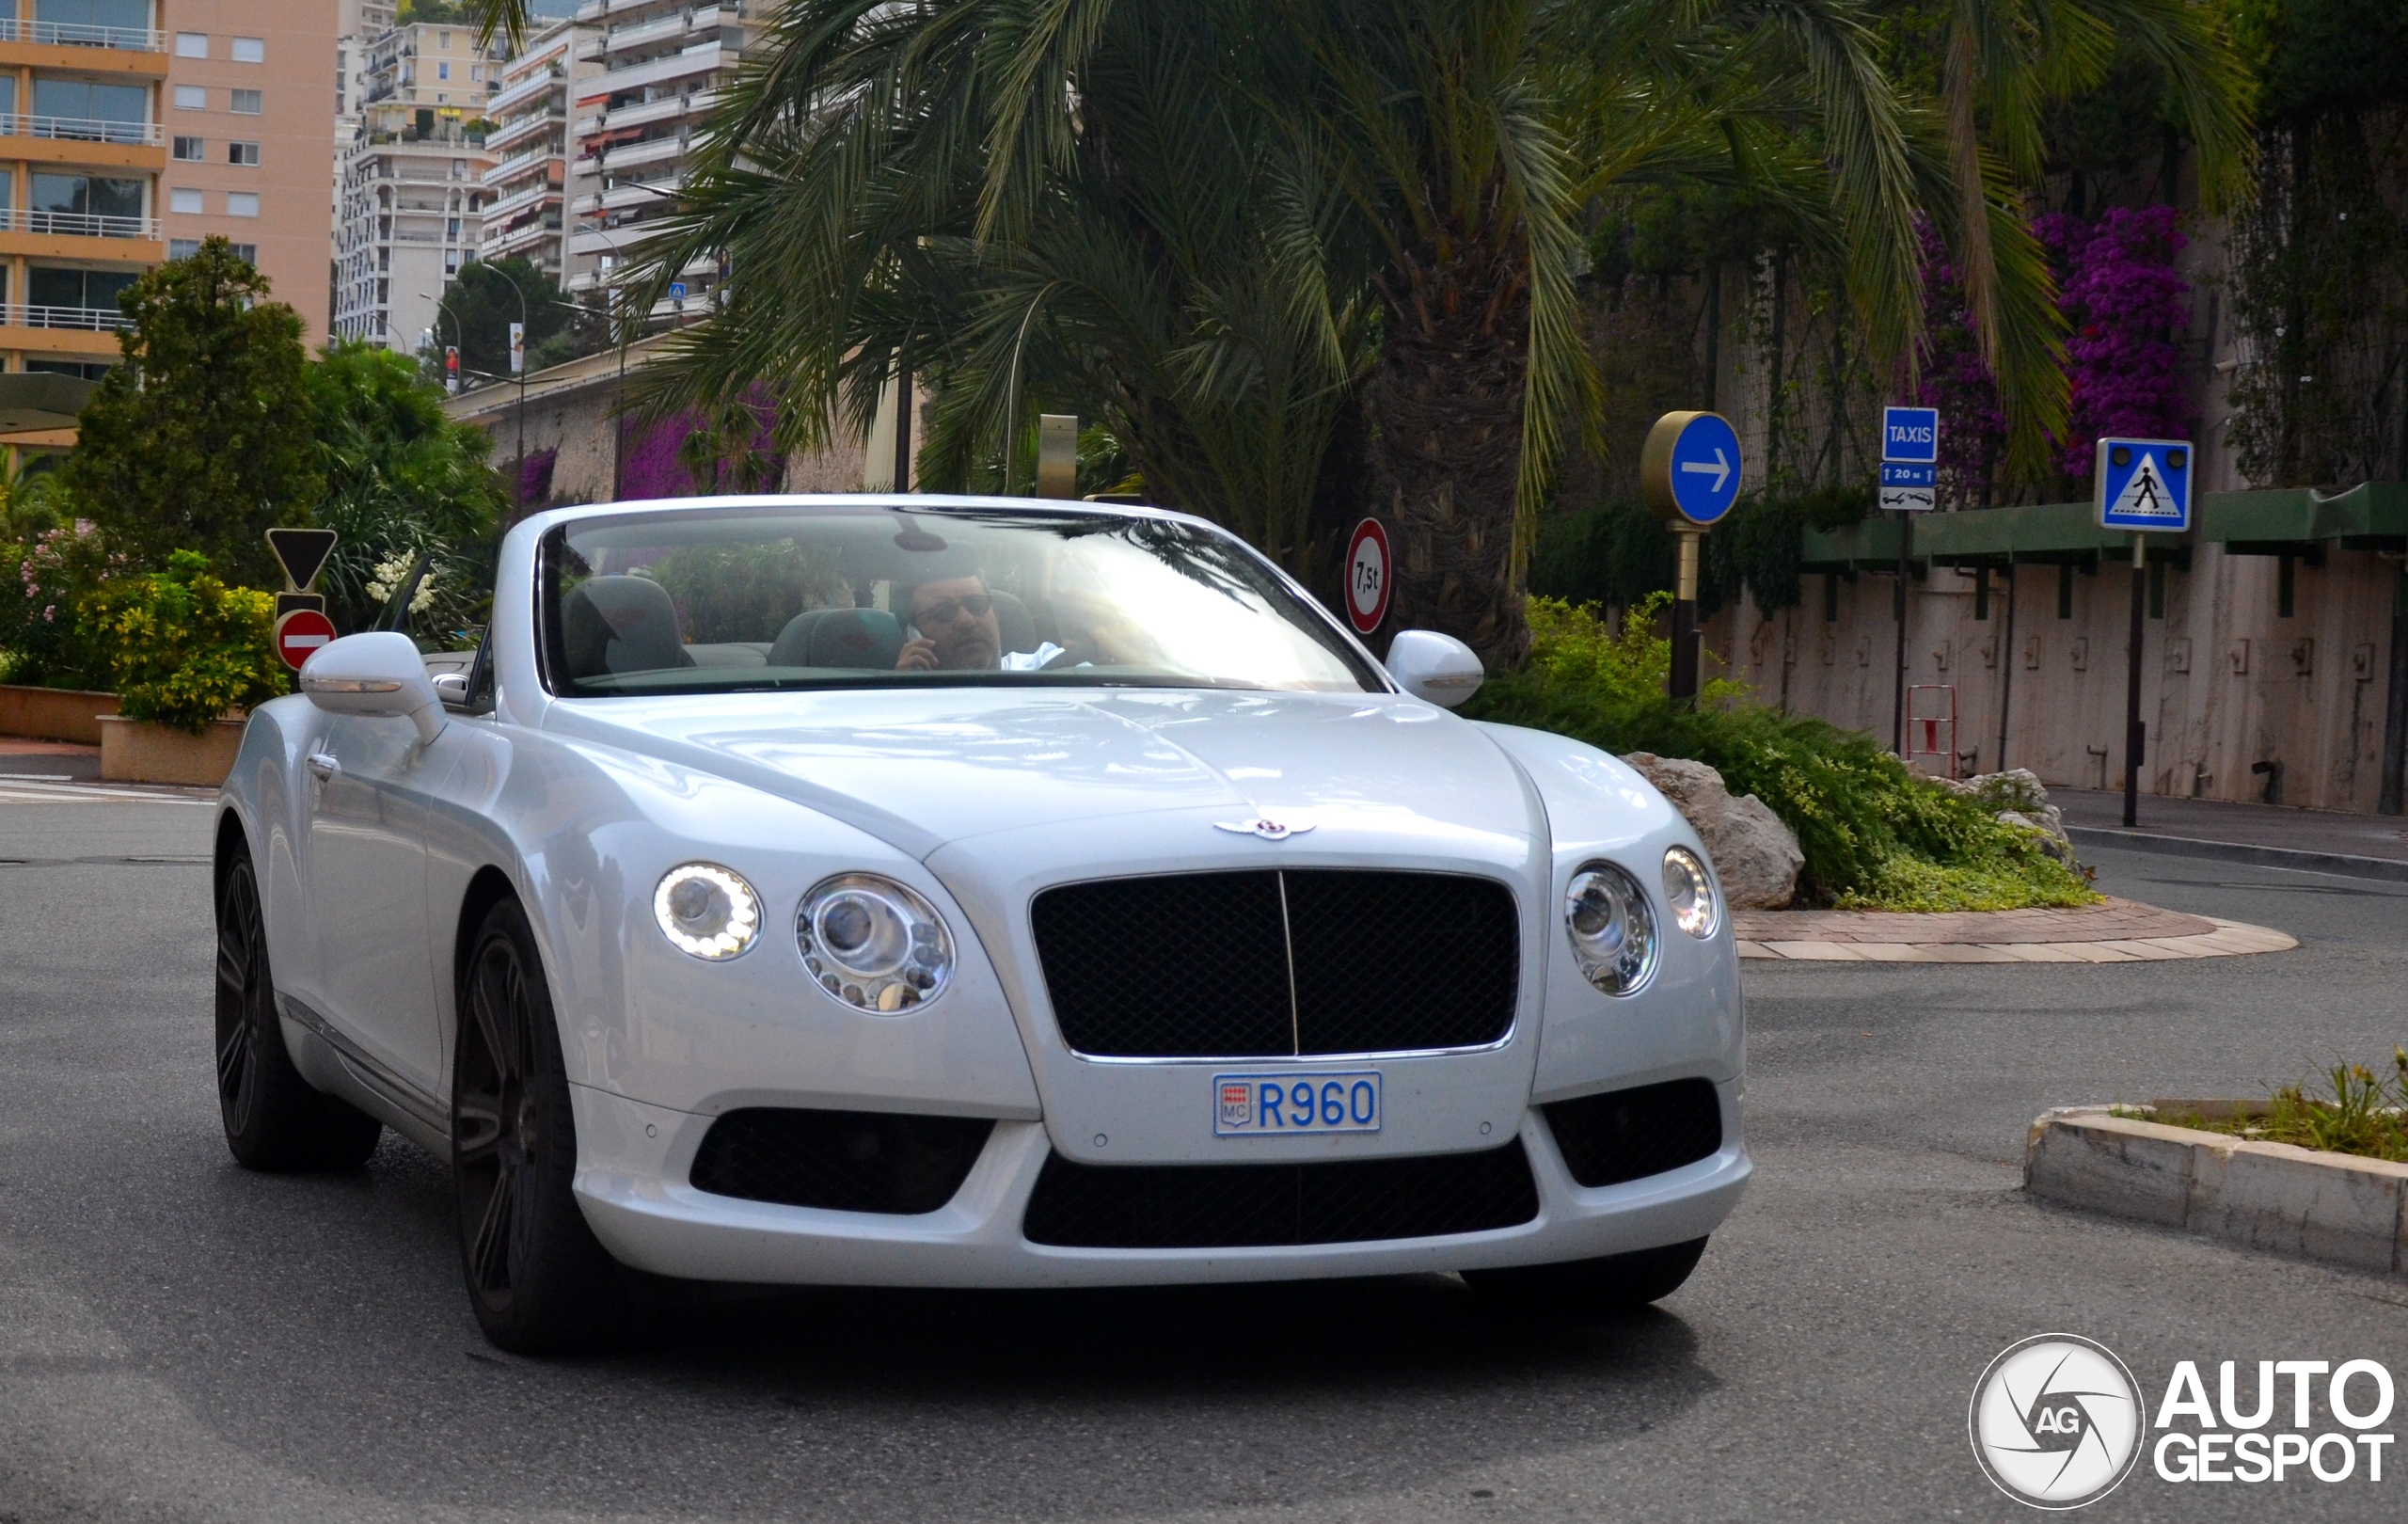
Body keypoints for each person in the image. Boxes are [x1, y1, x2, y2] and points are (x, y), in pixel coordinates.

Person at [894, 573, 1068, 673]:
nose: (966, 620)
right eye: (943, 612)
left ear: (995, 615)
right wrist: (901, 690)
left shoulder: (1050, 669)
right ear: (913, 635)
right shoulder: (883, 704)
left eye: (976, 604)